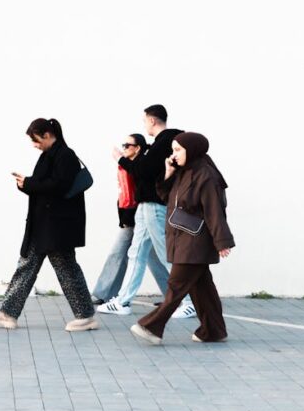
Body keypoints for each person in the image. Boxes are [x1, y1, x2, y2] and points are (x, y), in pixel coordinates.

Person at [0, 118, 98, 332]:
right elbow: (43, 185)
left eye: (36, 140)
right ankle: (8, 313)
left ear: (47, 135)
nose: (34, 145)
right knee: (27, 265)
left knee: (66, 268)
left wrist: (30, 183)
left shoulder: (65, 155)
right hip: (43, 224)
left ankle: (86, 315)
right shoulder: (48, 156)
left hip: (57, 226)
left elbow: (59, 186)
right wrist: (25, 184)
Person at [130, 132, 234, 345]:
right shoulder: (184, 171)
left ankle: (151, 326)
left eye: (178, 150)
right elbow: (167, 197)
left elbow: (215, 210)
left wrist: (222, 241)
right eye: (173, 150)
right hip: (183, 238)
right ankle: (214, 330)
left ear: (192, 150)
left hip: (196, 241)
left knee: (176, 285)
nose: (174, 154)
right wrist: (168, 172)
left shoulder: (206, 176)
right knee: (202, 289)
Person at [97, 105, 196, 318]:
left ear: (152, 120)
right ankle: (123, 301)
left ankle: (189, 301)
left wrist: (120, 159)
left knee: (164, 254)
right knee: (137, 254)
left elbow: (143, 171)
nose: (144, 125)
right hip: (146, 206)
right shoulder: (160, 144)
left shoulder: (165, 142)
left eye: (144, 121)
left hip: (154, 205)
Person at [91, 134, 170, 305]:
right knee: (152, 257)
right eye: (123, 145)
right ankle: (173, 296)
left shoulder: (140, 166)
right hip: (135, 217)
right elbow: (124, 196)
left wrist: (120, 159)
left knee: (120, 253)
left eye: (127, 145)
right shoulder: (131, 166)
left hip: (140, 216)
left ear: (138, 148)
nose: (124, 148)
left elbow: (137, 194)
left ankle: (103, 294)